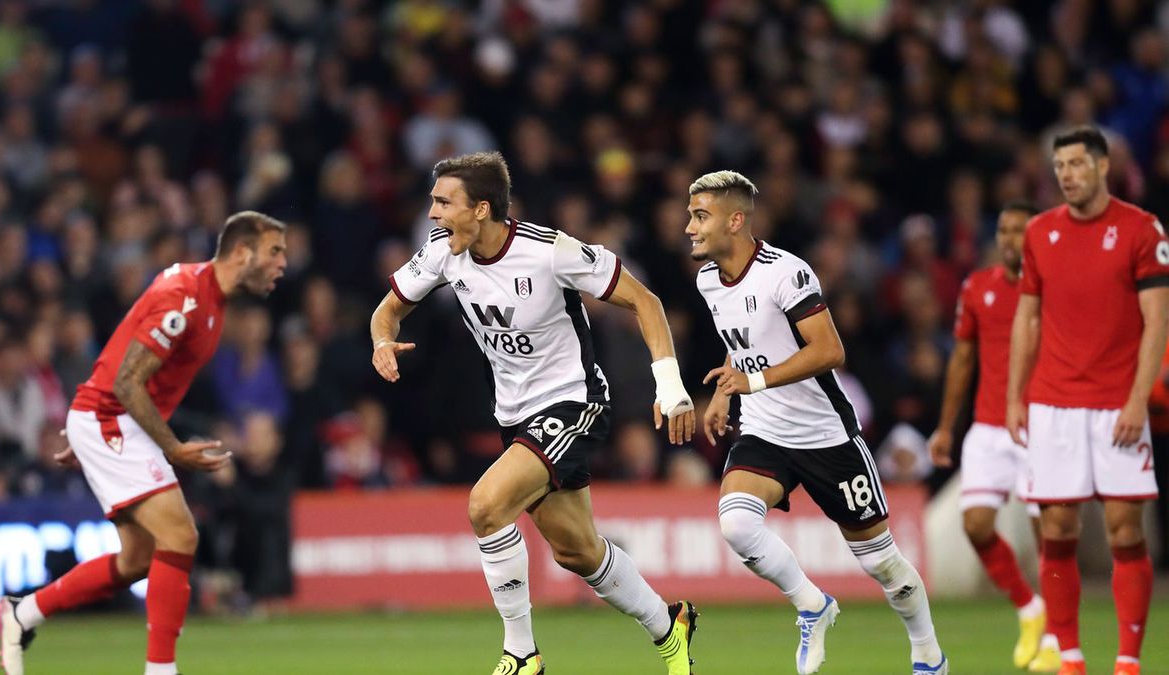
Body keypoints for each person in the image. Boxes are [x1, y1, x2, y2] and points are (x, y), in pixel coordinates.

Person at [370, 151, 698, 675]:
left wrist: (670, 385)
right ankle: (669, 624)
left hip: (574, 402)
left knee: (485, 505)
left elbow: (647, 301)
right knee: (578, 552)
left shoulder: (551, 252)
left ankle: (522, 654)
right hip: (515, 416)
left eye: (441, 202)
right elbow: (386, 310)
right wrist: (383, 341)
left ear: (481, 209)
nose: (431, 214)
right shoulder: (441, 251)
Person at [0, 211, 288, 675]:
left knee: (137, 560)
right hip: (114, 418)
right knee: (181, 534)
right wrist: (166, 446)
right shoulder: (185, 298)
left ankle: (21, 613)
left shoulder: (207, 298)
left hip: (109, 420)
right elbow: (129, 383)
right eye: (274, 251)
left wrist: (86, 426)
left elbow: (127, 347)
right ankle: (160, 670)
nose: (282, 263)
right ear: (241, 253)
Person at [688, 170, 946, 675]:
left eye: (701, 216)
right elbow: (743, 340)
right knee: (737, 524)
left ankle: (928, 653)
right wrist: (725, 390)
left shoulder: (786, 272)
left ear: (735, 220)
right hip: (764, 431)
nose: (689, 227)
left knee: (881, 564)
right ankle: (812, 604)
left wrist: (753, 381)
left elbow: (830, 351)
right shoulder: (706, 280)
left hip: (826, 436)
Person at [1007, 126, 1167, 675]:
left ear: (1102, 166)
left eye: (1076, 163)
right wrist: (1015, 397)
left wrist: (1137, 399)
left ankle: (1127, 660)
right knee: (1055, 529)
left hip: (1116, 405)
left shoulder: (1141, 229)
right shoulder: (1039, 233)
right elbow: (1026, 319)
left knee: (1125, 529)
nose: (1067, 175)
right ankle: (1070, 657)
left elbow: (1157, 323)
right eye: (1059, 166)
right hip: (1053, 404)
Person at [928, 201, 1059, 671]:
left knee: (1050, 535)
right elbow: (962, 359)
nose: (1009, 239)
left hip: (1041, 423)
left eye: (1019, 231)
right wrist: (946, 426)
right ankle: (1030, 608)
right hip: (987, 427)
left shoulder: (1054, 287)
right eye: (1003, 230)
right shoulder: (977, 286)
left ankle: (1059, 640)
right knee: (976, 525)